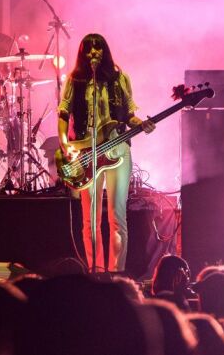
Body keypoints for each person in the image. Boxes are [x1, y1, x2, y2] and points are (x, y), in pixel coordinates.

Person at [57, 33, 146, 273]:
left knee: (117, 216)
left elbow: (129, 114)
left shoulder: (120, 78)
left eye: (98, 48)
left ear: (105, 51)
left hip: (117, 148)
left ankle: (116, 273)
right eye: (88, 49)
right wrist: (65, 142)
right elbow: (63, 113)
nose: (93, 53)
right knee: (90, 219)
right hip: (87, 150)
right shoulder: (74, 80)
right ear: (82, 54)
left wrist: (141, 123)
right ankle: (95, 271)